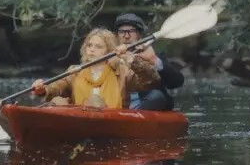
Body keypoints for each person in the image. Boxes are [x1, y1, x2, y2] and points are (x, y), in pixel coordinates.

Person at [30, 28, 160, 108]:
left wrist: (131, 59)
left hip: (112, 122)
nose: (91, 49)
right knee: (58, 102)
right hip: (81, 121)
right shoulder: (75, 71)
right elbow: (57, 87)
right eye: (89, 45)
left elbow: (151, 81)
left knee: (95, 101)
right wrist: (43, 89)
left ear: (108, 51)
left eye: (98, 47)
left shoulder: (121, 71)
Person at [113, 13, 185, 111]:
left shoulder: (153, 55)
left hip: (146, 106)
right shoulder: (109, 57)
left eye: (131, 31)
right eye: (122, 32)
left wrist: (154, 60)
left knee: (157, 96)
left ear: (139, 35)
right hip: (117, 104)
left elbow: (177, 82)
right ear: (117, 35)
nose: (126, 36)